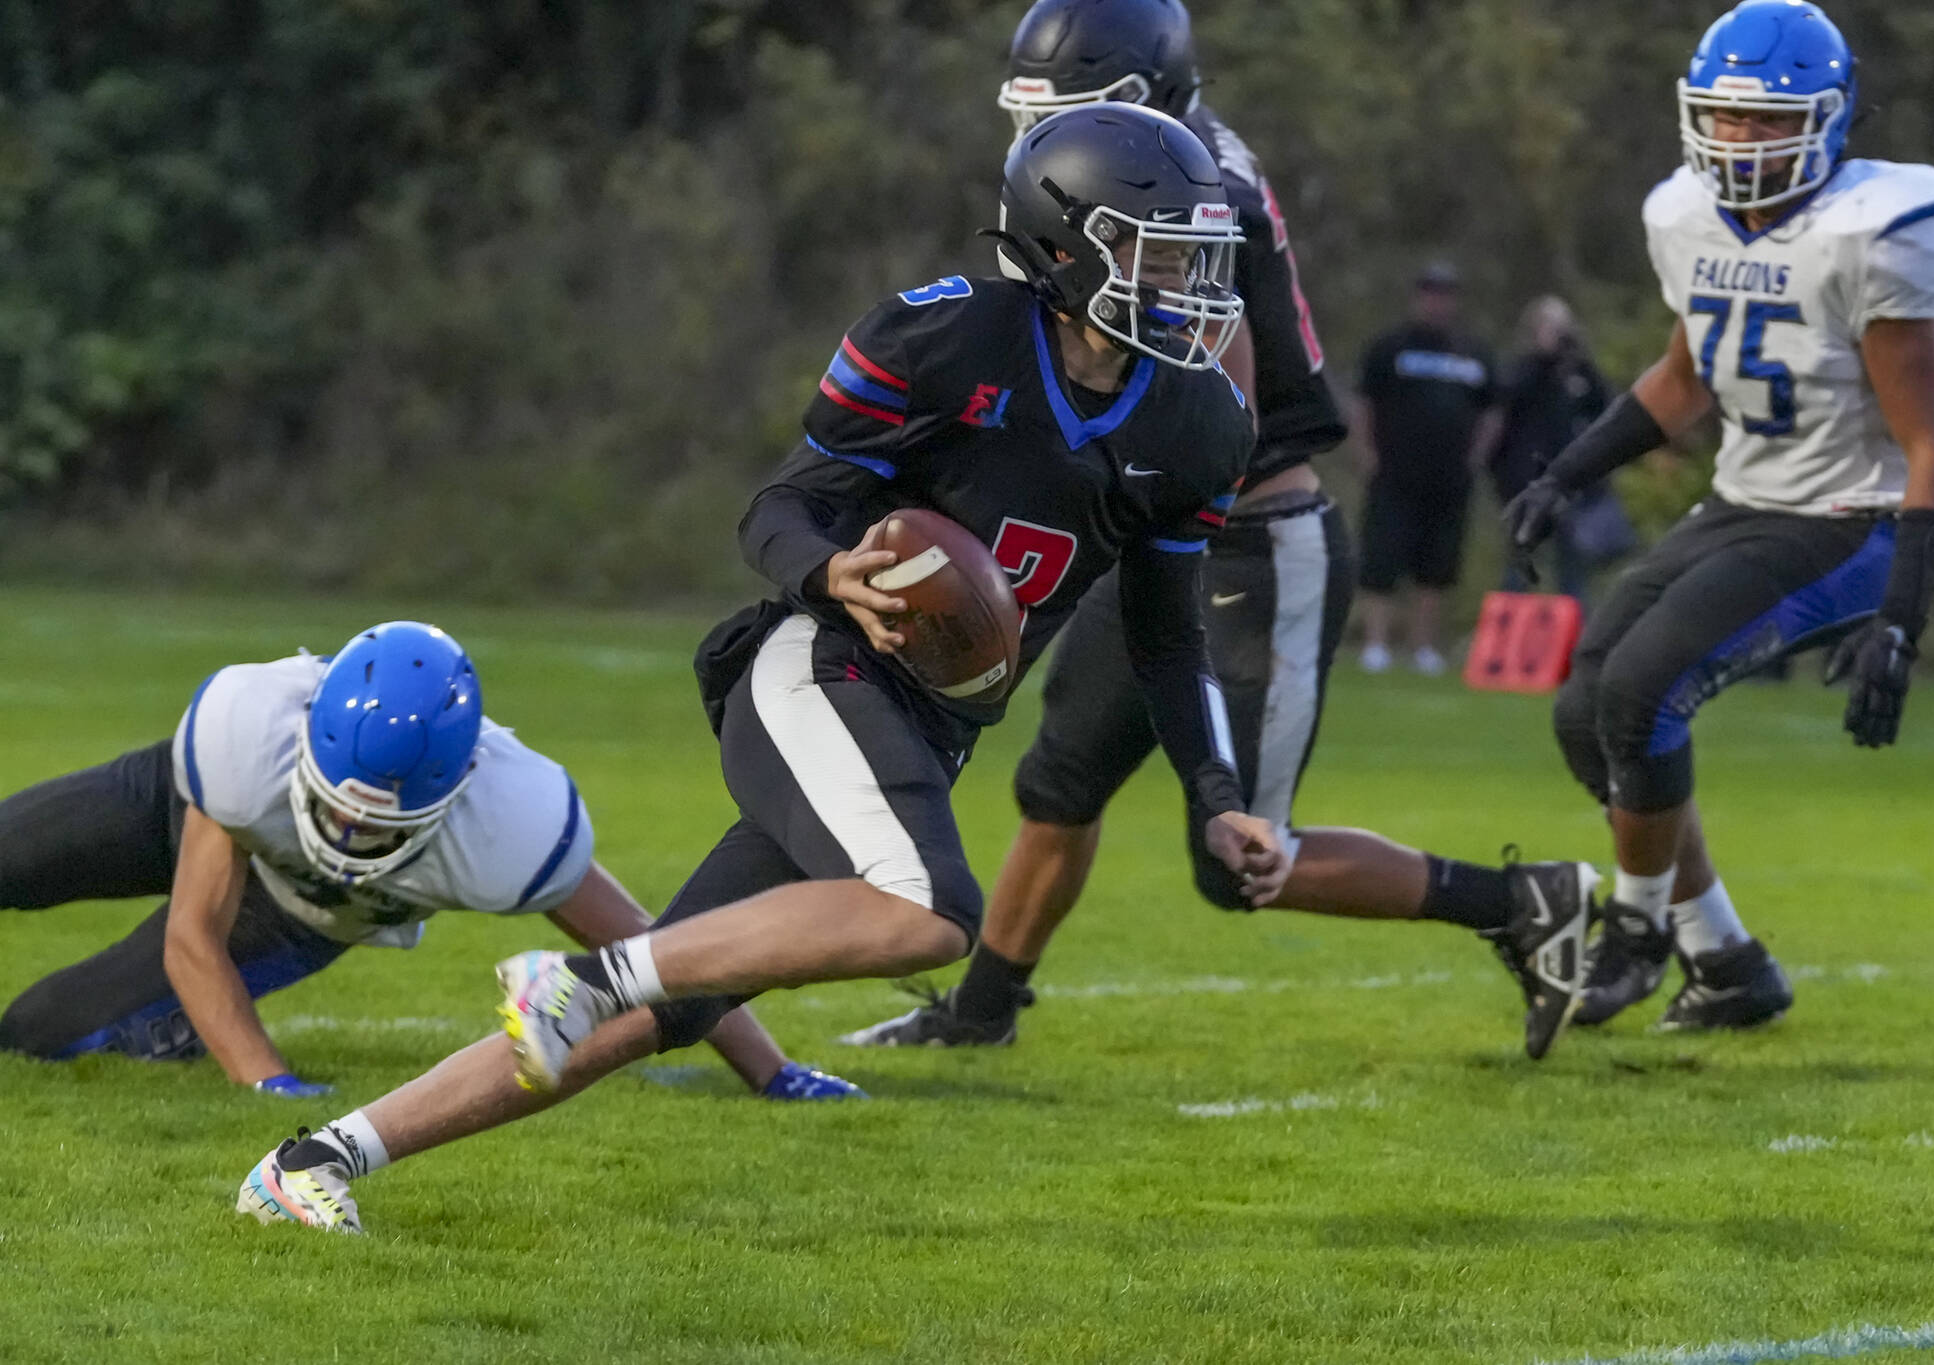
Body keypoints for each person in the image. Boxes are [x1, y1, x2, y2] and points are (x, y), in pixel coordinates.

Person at [234, 104, 1293, 1233]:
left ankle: (314, 1161)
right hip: (817, 666)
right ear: (1065, 241)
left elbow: (1168, 637)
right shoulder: (945, 341)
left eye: (1198, 256)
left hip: (925, 728)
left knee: (655, 1020)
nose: (1189, 282)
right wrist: (834, 574)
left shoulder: (1198, 423)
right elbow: (780, 507)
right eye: (1158, 250)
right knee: (930, 911)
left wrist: (1218, 798)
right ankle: (588, 974)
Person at [841, 0, 1596, 1065]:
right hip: (1148, 529)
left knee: (1243, 856)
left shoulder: (1188, 197)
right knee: (1057, 785)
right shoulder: (1162, 160)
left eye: (1072, 108)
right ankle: (979, 1013)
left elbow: (1206, 417)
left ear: (1140, 100)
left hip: (1251, 537)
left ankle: (1520, 900)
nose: (1040, 135)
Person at [1505, 0, 1934, 1031]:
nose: (1742, 139)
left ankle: (1631, 931)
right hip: (1741, 498)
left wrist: (1900, 615)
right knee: (1585, 712)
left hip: (1850, 518)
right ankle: (1723, 960)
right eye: (1724, 117)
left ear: (1829, 117)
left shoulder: (1873, 232)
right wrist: (1564, 473)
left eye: (1769, 121)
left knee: (1639, 691)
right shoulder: (1680, 213)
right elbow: (1682, 378)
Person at [0, 621, 857, 1101]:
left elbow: (652, 952)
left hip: (304, 907)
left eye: (379, 823)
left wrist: (773, 1069)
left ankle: (154, 1032)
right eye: (338, 805)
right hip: (200, 811)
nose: (351, 827)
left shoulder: (511, 822)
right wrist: (267, 1080)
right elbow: (195, 931)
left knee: (41, 1030)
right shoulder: (244, 736)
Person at [1352, 262, 1501, 676]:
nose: (1438, 302)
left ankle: (1424, 646)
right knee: (1381, 560)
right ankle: (1376, 645)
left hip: (1450, 479)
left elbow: (1492, 410)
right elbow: (1363, 402)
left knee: (1437, 567)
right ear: (1419, 297)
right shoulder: (1391, 347)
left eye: (1446, 294)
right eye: (1431, 293)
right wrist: (1366, 453)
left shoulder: (1474, 352)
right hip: (1395, 474)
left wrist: (1478, 456)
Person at [1486, 296, 1622, 600]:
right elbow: (1502, 414)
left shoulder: (1582, 373)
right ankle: (1508, 638)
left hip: (1571, 484)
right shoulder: (1520, 371)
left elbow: (1607, 412)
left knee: (1572, 573)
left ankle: (1575, 639)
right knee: (1521, 565)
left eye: (1563, 326)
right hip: (1527, 483)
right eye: (1549, 325)